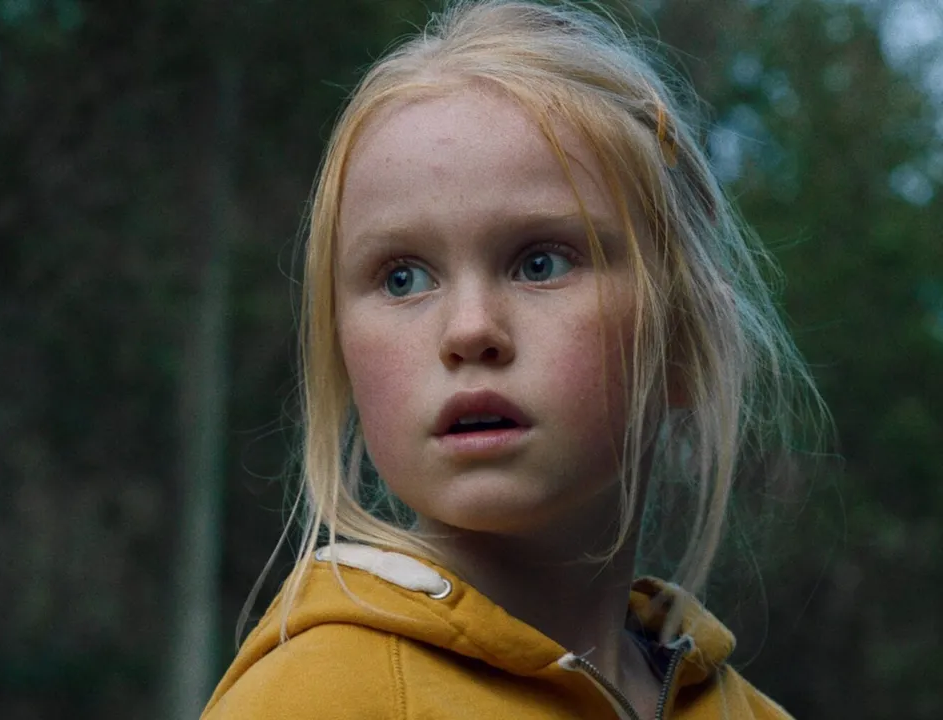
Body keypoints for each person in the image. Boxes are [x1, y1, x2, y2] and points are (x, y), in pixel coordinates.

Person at [202, 1, 828, 718]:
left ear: (684, 338)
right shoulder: (310, 700)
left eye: (540, 263)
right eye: (402, 278)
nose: (470, 330)